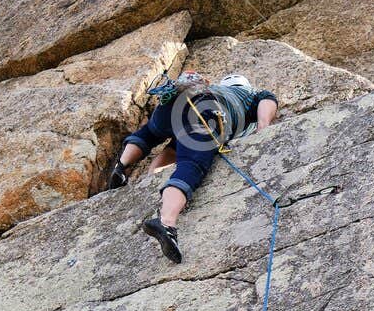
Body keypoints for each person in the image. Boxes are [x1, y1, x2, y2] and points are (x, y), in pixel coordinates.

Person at [107, 72, 279, 263]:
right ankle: (167, 223)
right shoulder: (249, 93)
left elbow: (171, 153)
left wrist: (151, 175)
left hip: (171, 104)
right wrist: (264, 128)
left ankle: (121, 166)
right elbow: (267, 101)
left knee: (149, 133)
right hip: (206, 111)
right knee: (191, 166)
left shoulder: (214, 87)